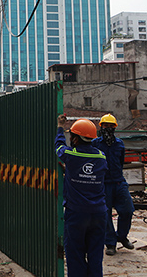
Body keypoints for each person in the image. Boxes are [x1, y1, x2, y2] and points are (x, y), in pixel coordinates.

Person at [56, 115, 108, 277]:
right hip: (99, 213)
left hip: (77, 213)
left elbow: (58, 146)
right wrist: (70, 171)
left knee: (75, 253)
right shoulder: (101, 157)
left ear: (76, 139)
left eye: (71, 136)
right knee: (95, 254)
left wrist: (59, 127)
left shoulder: (71, 155)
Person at [93, 113, 135, 256]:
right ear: (101, 127)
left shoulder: (119, 144)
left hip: (118, 182)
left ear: (115, 128)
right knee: (105, 215)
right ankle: (110, 244)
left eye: (111, 126)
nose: (108, 129)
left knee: (127, 210)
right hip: (103, 184)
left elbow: (121, 161)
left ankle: (122, 236)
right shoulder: (95, 144)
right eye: (106, 126)